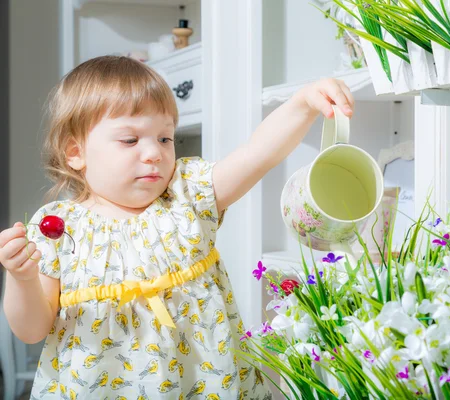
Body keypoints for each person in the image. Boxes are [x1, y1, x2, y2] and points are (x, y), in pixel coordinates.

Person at [0, 55, 354, 399]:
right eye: (130, 139)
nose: (154, 152)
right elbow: (31, 331)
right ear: (75, 152)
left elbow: (257, 154)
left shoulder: (188, 196)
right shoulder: (60, 228)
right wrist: (23, 278)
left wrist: (304, 102)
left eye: (165, 138)